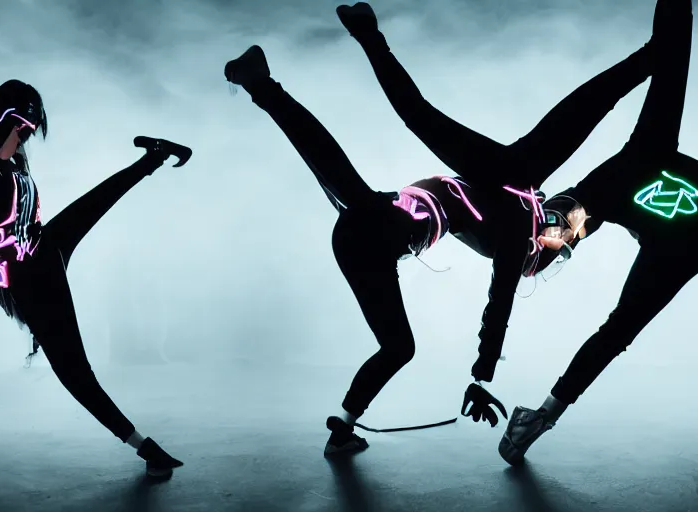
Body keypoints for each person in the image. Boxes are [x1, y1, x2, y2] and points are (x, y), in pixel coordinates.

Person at [223, 24, 653, 456]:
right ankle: (277, 79)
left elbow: (502, 297)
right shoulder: (522, 211)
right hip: (374, 233)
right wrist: (482, 372)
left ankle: (286, 75)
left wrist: (483, 371)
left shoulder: (518, 225)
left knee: (397, 343)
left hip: (378, 232)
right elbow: (528, 266)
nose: (554, 224)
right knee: (396, 339)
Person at [496, 0, 698, 465]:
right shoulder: (592, 206)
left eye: (567, 229)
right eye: (566, 239)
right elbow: (559, 235)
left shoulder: (646, 145)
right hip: (677, 245)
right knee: (621, 330)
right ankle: (539, 418)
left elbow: (673, 60)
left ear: (573, 206)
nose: (571, 235)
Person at [0, 79, 186, 478]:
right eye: (22, 129)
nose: (24, 139)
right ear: (1, 119)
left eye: (29, 132)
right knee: (74, 368)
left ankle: (152, 159)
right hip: (14, 275)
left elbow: (27, 221)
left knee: (85, 211)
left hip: (35, 254)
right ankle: (143, 446)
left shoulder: (9, 158)